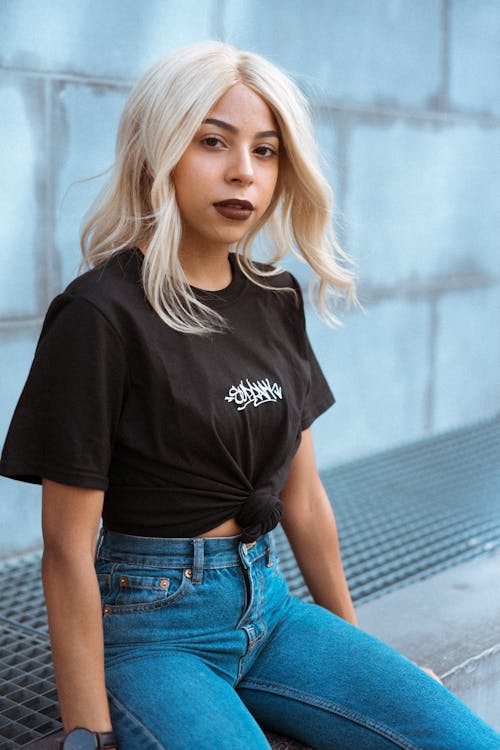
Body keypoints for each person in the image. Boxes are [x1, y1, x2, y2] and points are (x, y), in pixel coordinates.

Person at [1, 41, 499, 750]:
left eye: (266, 151)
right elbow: (64, 548)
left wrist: (356, 651)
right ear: (156, 153)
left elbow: (304, 497)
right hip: (149, 630)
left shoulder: (275, 297)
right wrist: (89, 733)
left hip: (270, 608)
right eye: (213, 142)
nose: (244, 171)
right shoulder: (101, 315)